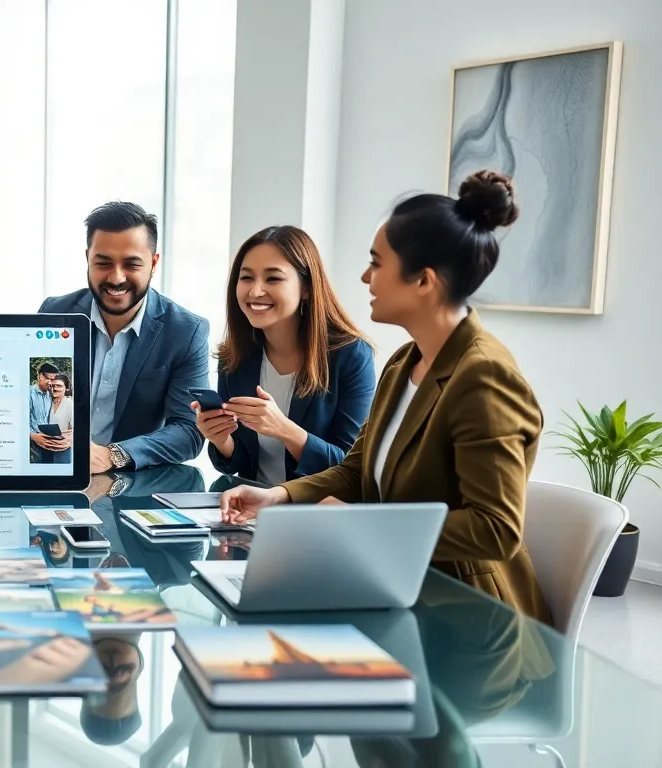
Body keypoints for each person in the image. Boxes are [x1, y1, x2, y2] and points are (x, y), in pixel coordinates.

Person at [220, 170, 551, 621]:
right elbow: (357, 470)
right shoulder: (403, 363)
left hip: (466, 612)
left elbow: (495, 529)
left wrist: (358, 527)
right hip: (391, 581)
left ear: (424, 281)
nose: (363, 276)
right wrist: (279, 496)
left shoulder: (485, 376)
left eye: (376, 263)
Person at [196, 226, 375, 485]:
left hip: (315, 511)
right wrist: (221, 438)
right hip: (249, 506)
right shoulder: (234, 355)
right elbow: (241, 463)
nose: (255, 291)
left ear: (306, 288)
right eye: (246, 278)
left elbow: (350, 466)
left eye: (273, 279)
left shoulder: (350, 356)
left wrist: (284, 429)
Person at [39, 202, 210, 473]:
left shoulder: (186, 331)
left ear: (154, 263)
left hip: (129, 483)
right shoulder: (54, 312)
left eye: (131, 264)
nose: (116, 278)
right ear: (88, 259)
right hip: (54, 469)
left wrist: (113, 455)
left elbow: (189, 430)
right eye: (103, 263)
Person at [44, 374, 76, 464]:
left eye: (59, 386)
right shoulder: (48, 403)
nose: (55, 388)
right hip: (47, 446)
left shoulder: (69, 404)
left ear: (66, 388)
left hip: (63, 447)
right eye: (53, 386)